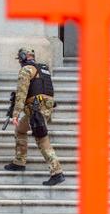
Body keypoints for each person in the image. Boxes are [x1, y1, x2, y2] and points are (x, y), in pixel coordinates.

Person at [4, 47, 65, 186]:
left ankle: (57, 172)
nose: (19, 62)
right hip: (44, 107)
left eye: (20, 59)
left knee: (42, 139)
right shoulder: (43, 69)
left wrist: (15, 114)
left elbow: (21, 93)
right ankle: (19, 161)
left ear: (23, 57)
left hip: (35, 109)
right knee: (20, 129)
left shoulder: (26, 70)